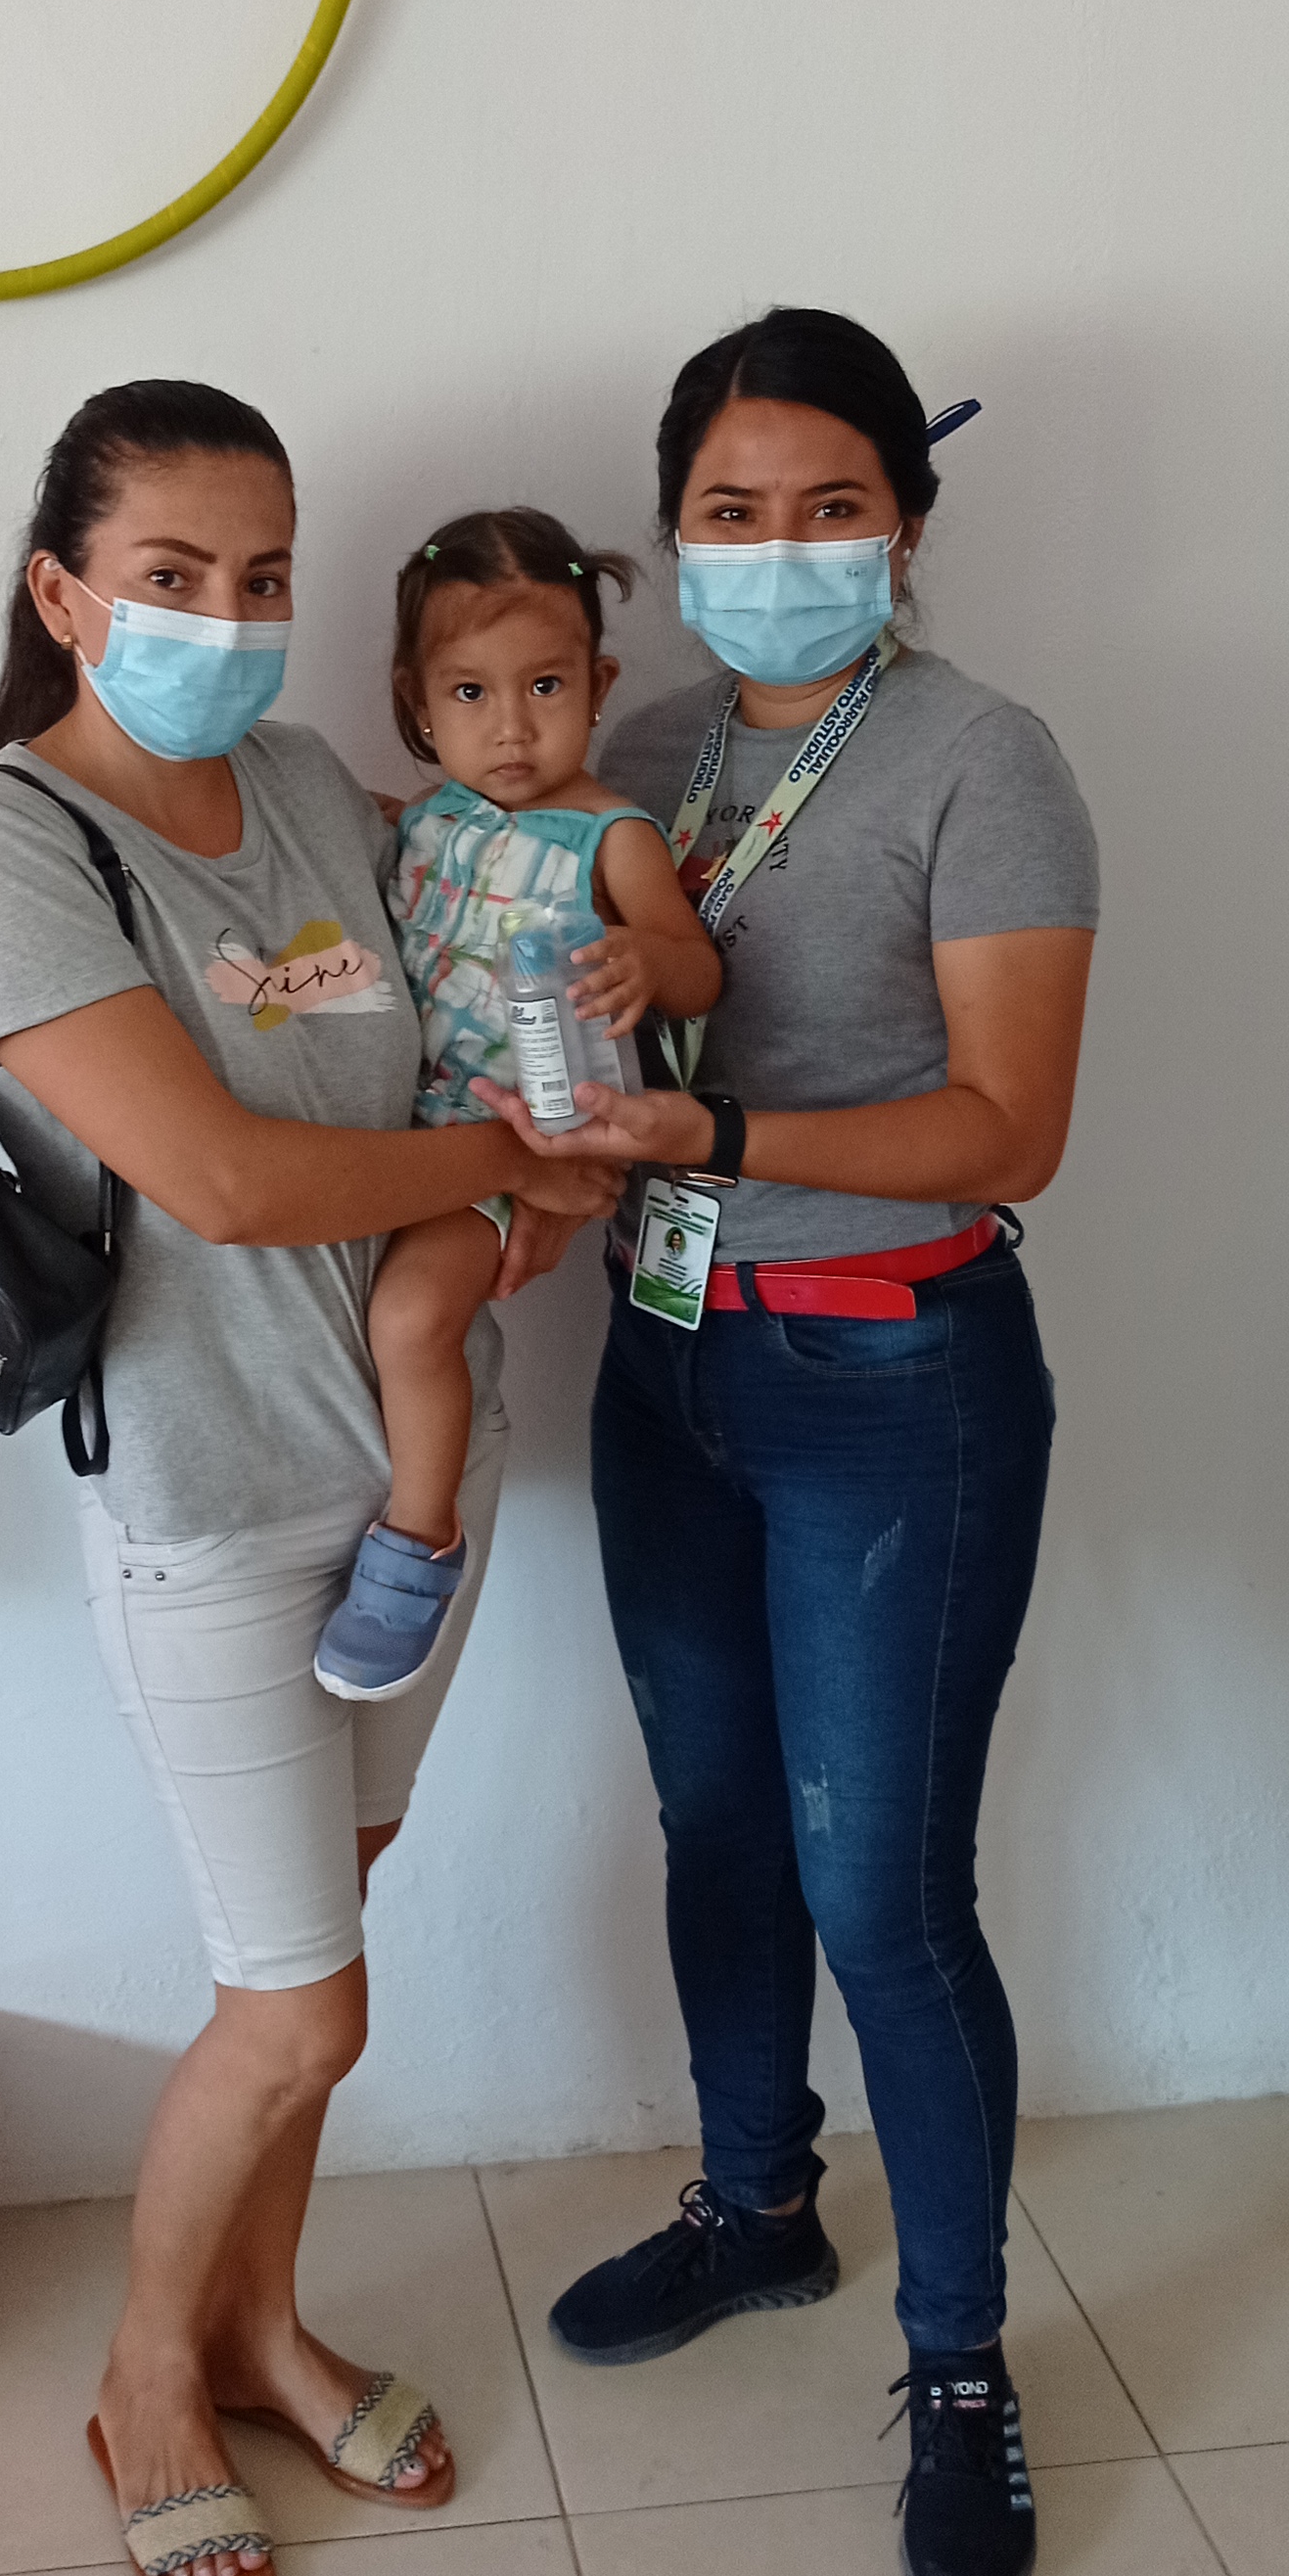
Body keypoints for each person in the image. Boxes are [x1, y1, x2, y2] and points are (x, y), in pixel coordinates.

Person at [0, 383, 620, 2576]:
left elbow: (462, 1017)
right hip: (212, 1503)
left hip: (418, 1480)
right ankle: (146, 2368)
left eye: (261, 576)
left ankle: (260, 2330)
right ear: (63, 595)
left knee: (338, 1923)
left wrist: (554, 1117)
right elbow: (219, 1179)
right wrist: (511, 1166)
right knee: (297, 2002)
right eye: (170, 575)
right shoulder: (10, 845)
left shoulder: (316, 785)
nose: (224, 618)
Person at [475, 308, 1097, 2576]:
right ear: (668, 535)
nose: (775, 547)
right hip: (667, 1369)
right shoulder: (627, 754)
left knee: (881, 1895)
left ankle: (957, 2360)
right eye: (726, 513)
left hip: (890, 1385)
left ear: (903, 525)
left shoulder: (981, 758)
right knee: (716, 1825)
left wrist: (715, 1138)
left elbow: (1005, 1126)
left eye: (825, 505)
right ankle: (753, 2208)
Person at [312, 508, 720, 1700]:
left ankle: (418, 1544)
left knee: (410, 1323)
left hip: (513, 1135)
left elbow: (698, 972)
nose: (511, 726)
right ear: (416, 701)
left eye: (544, 686)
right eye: (470, 693)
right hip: (393, 1129)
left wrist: (648, 959)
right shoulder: (426, 818)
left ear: (598, 686)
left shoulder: (610, 834)